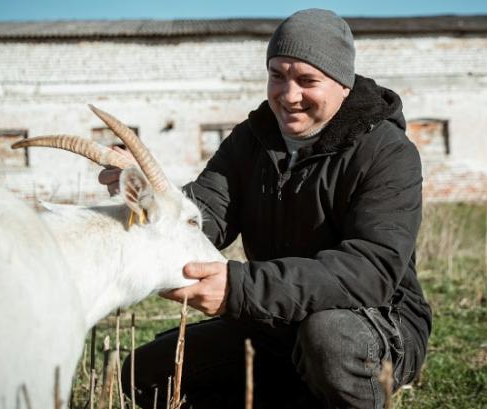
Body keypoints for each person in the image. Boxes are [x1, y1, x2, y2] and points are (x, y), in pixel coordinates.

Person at [99, 8, 431, 408]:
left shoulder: (388, 153)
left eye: (308, 80)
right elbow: (207, 213)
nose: (288, 95)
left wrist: (239, 287)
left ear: (343, 84)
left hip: (375, 325)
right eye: (278, 75)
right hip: (273, 323)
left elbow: (370, 271)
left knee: (329, 338)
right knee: (144, 374)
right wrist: (151, 196)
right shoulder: (252, 139)